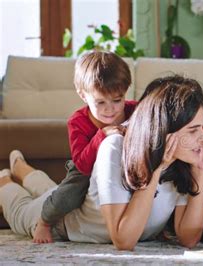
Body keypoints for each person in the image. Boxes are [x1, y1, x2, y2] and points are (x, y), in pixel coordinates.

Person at [0, 75, 203, 250]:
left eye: (202, 127)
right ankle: (6, 177)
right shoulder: (115, 148)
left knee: (50, 188)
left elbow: (188, 238)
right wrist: (156, 169)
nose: (202, 138)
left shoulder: (181, 161)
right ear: (164, 131)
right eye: (192, 130)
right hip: (64, 224)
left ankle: (22, 167)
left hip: (73, 197)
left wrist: (200, 172)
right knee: (20, 208)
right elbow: (124, 240)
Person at [33, 51, 138, 243]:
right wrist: (101, 135)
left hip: (124, 163)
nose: (110, 109)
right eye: (100, 102)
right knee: (67, 197)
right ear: (83, 95)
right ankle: (44, 222)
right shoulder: (78, 121)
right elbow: (81, 163)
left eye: (117, 100)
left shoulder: (135, 110)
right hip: (86, 167)